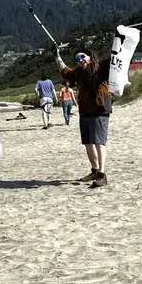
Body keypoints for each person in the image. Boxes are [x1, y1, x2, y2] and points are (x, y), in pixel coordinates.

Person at [57, 47, 112, 187]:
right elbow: (66, 73)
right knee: (88, 142)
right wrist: (57, 57)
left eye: (82, 57)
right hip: (85, 110)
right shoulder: (78, 72)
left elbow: (115, 59)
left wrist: (119, 43)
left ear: (90, 57)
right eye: (77, 59)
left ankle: (102, 174)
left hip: (100, 108)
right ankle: (94, 170)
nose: (80, 60)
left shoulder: (100, 67)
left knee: (99, 142)